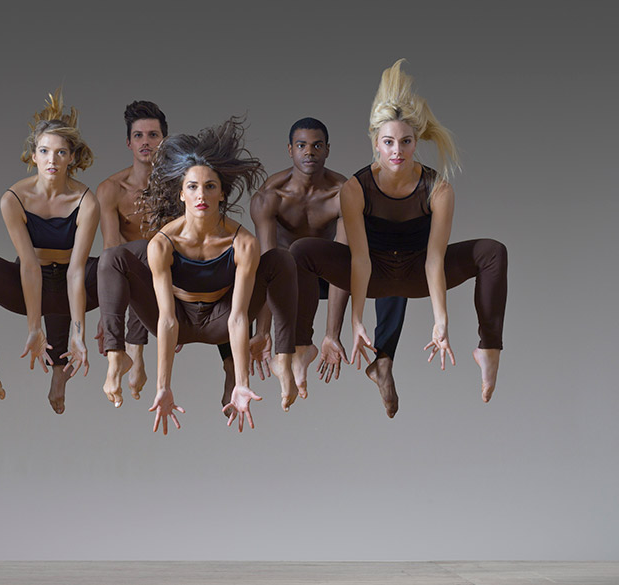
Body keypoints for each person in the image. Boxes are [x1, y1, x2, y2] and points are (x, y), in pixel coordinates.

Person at [290, 59, 507, 407]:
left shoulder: (438, 189)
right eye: (389, 142)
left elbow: (435, 260)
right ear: (376, 142)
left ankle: (489, 350)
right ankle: (302, 346)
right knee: (301, 251)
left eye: (405, 142)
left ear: (415, 142)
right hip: (372, 274)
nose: (397, 151)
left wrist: (441, 321)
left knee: (492, 251)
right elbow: (359, 259)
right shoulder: (355, 188)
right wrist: (356, 320)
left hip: (416, 275)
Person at [98, 118, 301, 433]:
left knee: (280, 259)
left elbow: (237, 318)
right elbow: (166, 320)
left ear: (222, 194)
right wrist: (163, 386)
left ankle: (284, 361)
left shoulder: (243, 242)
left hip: (221, 319)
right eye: (192, 187)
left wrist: (243, 383)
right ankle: (116, 357)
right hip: (177, 318)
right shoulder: (163, 243)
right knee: (113, 257)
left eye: (210, 186)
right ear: (181, 195)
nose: (201, 195)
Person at [0, 90, 100, 414]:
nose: (52, 160)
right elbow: (29, 267)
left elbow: (76, 271)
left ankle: (63, 371)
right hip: (30, 283)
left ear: (72, 157)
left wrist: (80, 334)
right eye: (44, 151)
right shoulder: (13, 199)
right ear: (33, 156)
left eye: (60, 153)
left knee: (125, 261)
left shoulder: (87, 201)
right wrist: (34, 329)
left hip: (76, 285)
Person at [250, 117, 408, 413]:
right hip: (290, 281)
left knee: (394, 271)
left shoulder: (343, 192)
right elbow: (269, 266)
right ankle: (291, 352)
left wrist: (332, 334)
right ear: (290, 150)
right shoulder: (270, 196)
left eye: (316, 145)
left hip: (330, 273)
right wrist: (264, 331)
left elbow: (344, 259)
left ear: (327, 150)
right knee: (246, 269)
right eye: (301, 145)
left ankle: (383, 360)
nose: (309, 152)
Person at [95, 100, 168, 405]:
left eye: (153, 135)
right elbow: (111, 248)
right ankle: (128, 354)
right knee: (129, 254)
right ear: (128, 142)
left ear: (163, 140)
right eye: (139, 136)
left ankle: (134, 355)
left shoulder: (180, 185)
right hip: (130, 272)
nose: (146, 142)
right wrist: (106, 310)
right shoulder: (111, 189)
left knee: (149, 250)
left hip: (170, 269)